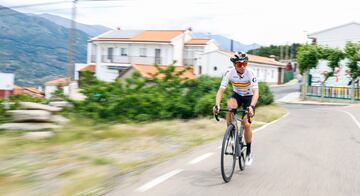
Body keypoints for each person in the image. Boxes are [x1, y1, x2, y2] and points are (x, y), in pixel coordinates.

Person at [213, 52, 259, 166]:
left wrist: (252, 106)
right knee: (230, 108)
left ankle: (248, 152)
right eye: (239, 65)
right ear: (234, 65)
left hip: (249, 97)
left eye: (244, 64)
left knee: (246, 124)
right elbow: (221, 90)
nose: (242, 66)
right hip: (237, 95)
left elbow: (256, 92)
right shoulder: (229, 73)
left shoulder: (250, 73)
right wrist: (217, 105)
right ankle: (231, 136)